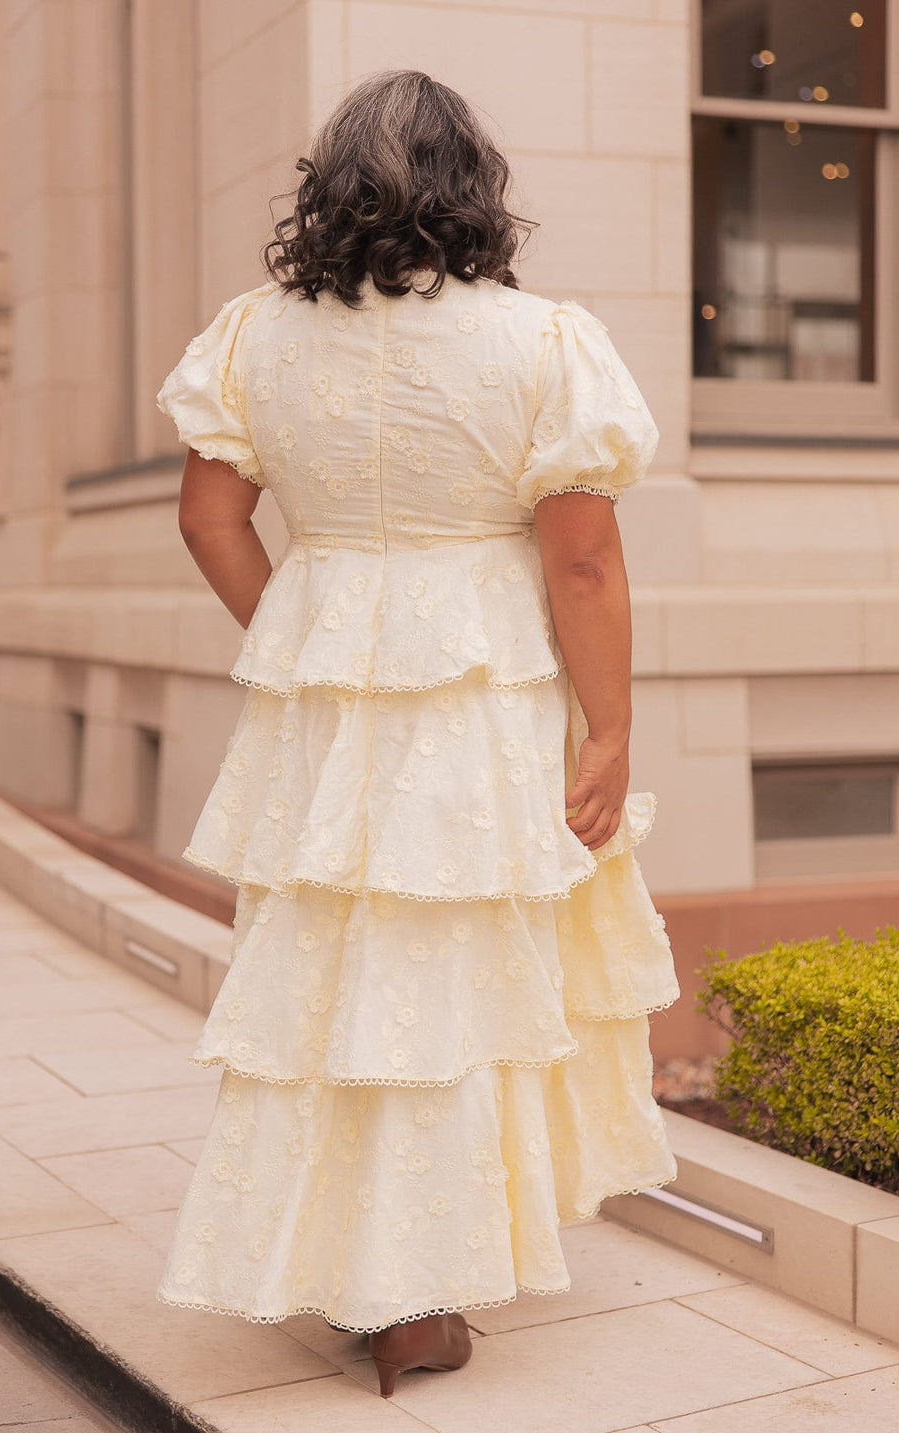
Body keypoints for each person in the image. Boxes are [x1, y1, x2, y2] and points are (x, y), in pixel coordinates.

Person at [153, 68, 681, 1399]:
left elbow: (209, 519)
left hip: (329, 691)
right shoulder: (539, 342)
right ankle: (415, 1297)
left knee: (332, 975)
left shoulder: (253, 338)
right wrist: (609, 728)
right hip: (482, 689)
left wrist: (299, 624)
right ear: (473, 191)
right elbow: (582, 564)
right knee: (451, 973)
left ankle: (357, 1262)